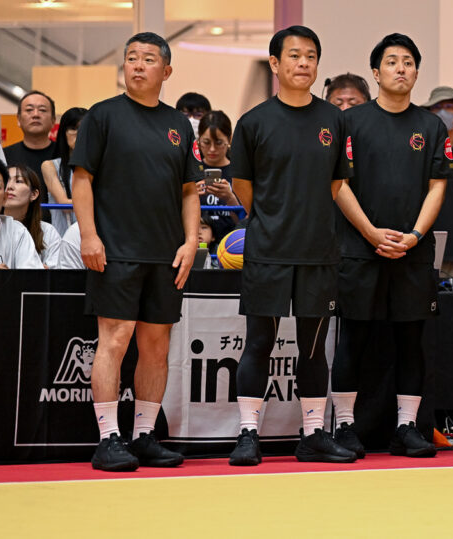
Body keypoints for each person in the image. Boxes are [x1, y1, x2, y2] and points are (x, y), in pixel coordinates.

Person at [72, 32, 202, 472]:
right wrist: (89, 236)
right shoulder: (102, 116)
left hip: (166, 255)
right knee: (114, 339)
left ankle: (144, 435)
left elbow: (189, 190)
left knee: (156, 346)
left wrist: (191, 242)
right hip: (115, 250)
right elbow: (82, 179)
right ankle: (109, 438)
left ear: (166, 71)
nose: (138, 65)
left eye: (148, 59)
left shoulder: (179, 124)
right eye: (131, 58)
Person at [228, 25, 355, 466]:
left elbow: (337, 183)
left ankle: (314, 434)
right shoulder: (253, 122)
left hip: (319, 253)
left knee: (313, 348)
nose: (303, 63)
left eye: (311, 56)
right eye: (295, 55)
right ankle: (248, 435)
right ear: (275, 64)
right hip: (268, 252)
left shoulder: (334, 120)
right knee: (259, 343)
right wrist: (272, 219)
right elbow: (243, 186)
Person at [332, 34, 450, 459]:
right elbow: (337, 184)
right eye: (392, 62)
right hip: (359, 249)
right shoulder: (350, 122)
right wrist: (370, 233)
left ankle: (407, 427)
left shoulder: (431, 127)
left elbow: (438, 187)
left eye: (408, 62)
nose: (401, 68)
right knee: (353, 339)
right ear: (376, 72)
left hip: (412, 251)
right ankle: (345, 426)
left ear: (417, 72)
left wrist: (414, 235)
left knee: (411, 340)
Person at [426, 85, 453, 281]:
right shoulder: (421, 153)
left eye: (448, 107)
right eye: (436, 108)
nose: (442, 112)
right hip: (425, 246)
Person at [2, 91, 58, 211]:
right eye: (29, 110)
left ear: (53, 120)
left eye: (42, 110)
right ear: (18, 119)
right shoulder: (3, 155)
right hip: (14, 221)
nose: (35, 115)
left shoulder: (66, 155)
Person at [4, 164, 63, 268]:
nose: (9, 186)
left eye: (18, 181)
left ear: (34, 194)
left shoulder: (47, 232)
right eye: (5, 180)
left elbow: (54, 273)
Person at [195, 110, 241, 243]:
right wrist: (190, 197)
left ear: (230, 139)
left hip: (231, 245)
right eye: (206, 142)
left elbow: (244, 222)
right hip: (196, 246)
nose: (212, 149)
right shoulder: (190, 171)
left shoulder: (240, 172)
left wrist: (230, 199)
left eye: (219, 142)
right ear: (198, 140)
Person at [41, 107, 87, 235]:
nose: (79, 133)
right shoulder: (50, 166)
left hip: (96, 236)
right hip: (63, 236)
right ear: (63, 132)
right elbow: (64, 204)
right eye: (73, 128)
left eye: (84, 129)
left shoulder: (100, 166)